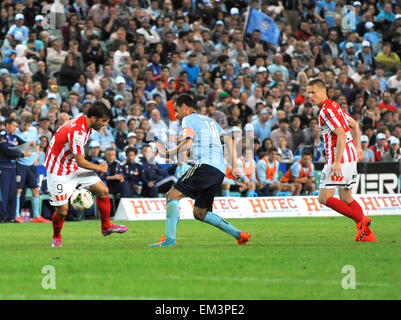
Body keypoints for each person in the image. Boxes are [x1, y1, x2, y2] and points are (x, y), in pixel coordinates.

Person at [150, 93, 251, 246]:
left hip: (205, 166)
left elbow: (188, 143)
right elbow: (229, 140)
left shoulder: (188, 119)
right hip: (219, 171)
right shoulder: (211, 121)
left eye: (177, 110)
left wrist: (167, 152)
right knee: (200, 212)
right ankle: (239, 235)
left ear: (184, 107)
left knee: (172, 195)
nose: (176, 115)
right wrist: (235, 166)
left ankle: (170, 240)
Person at [44, 101, 128, 248]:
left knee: (103, 190)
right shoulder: (78, 131)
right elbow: (81, 161)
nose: (104, 125)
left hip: (71, 165)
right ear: (93, 118)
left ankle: (106, 227)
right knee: (62, 211)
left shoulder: (85, 123)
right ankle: (56, 237)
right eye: (103, 121)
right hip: (57, 170)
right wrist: (99, 167)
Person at [306, 78, 375, 242]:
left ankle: (361, 221)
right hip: (349, 153)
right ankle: (368, 235)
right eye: (308, 92)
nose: (310, 96)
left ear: (323, 92)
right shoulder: (334, 105)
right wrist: (358, 147)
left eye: (313, 92)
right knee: (346, 198)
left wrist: (336, 163)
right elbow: (355, 124)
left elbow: (341, 135)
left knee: (324, 198)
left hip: (339, 155)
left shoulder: (325, 111)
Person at [14, 113, 50, 223]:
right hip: (20, 164)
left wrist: (36, 157)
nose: (27, 127)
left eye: (29, 125)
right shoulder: (16, 132)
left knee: (35, 189)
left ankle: (36, 216)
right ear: (21, 122)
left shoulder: (34, 130)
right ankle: (16, 215)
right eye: (26, 124)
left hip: (32, 165)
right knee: (18, 190)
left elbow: (37, 145)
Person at [0, 118, 32, 223]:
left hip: (13, 168)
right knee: (4, 193)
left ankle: (11, 216)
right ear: (7, 125)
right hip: (4, 168)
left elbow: (26, 144)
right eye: (13, 125)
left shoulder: (14, 137)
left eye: (15, 126)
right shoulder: (2, 136)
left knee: (13, 193)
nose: (14, 128)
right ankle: (3, 217)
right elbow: (6, 150)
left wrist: (29, 145)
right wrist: (21, 154)